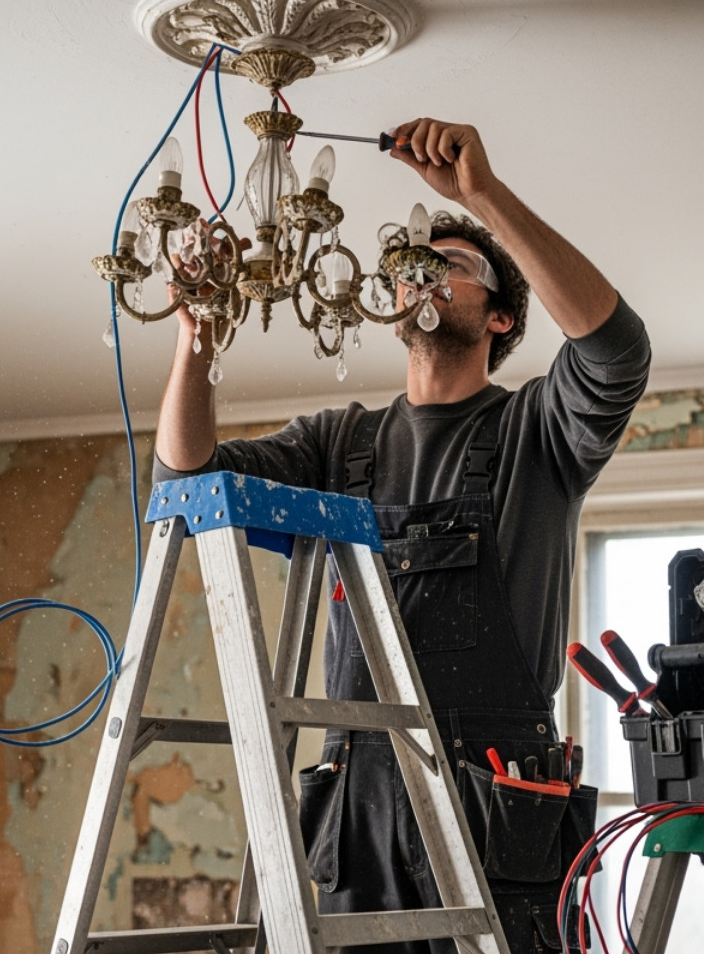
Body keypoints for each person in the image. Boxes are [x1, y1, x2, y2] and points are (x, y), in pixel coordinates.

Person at [154, 118, 651, 954]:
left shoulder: (538, 433)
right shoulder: (337, 444)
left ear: (501, 316)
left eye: (450, 263)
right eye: (410, 263)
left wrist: (482, 196)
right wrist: (195, 334)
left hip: (493, 799)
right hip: (360, 800)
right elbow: (184, 483)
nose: (421, 269)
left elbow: (616, 351)